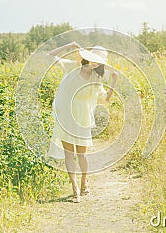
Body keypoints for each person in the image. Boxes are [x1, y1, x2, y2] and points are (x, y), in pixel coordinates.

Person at [45, 42, 118, 203]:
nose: (95, 63)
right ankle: (74, 188)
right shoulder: (72, 67)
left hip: (83, 119)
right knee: (69, 155)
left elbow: (105, 99)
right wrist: (69, 45)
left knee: (82, 155)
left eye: (99, 61)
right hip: (66, 117)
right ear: (87, 58)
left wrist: (113, 81)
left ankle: (84, 181)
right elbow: (49, 56)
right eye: (94, 59)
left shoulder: (96, 78)